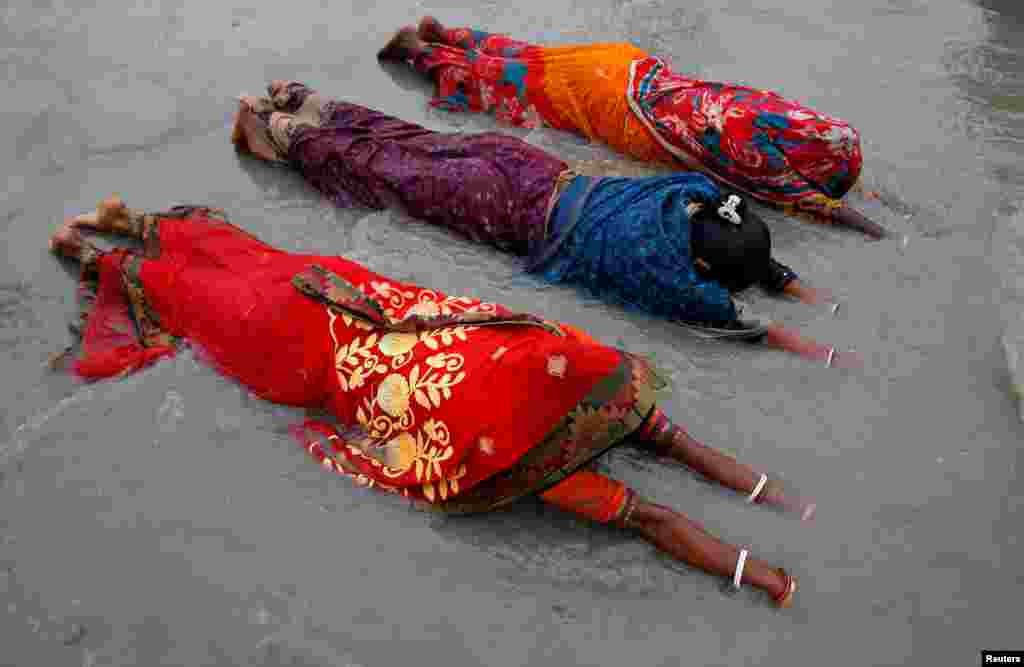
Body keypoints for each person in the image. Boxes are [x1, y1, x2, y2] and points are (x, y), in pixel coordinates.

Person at [47, 195, 815, 607]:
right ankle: (100, 253)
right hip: (308, 356)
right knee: (209, 306)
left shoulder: (549, 354)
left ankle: (127, 231)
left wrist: (767, 520)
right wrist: (761, 568)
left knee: (251, 268)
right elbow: (657, 503)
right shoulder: (574, 417)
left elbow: (663, 475)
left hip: (345, 292)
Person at [232, 81, 858, 366]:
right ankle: (289, 138)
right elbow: (735, 321)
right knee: (394, 175)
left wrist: (781, 275)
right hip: (510, 212)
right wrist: (819, 345)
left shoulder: (683, 196)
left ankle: (312, 103)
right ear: (699, 267)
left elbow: (733, 227)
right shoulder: (660, 270)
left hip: (532, 166)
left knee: (424, 144)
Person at [376, 17, 888, 239]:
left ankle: (450, 35)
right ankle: (421, 53)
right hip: (617, 106)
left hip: (628, 66)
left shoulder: (775, 111)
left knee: (537, 63)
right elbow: (798, 197)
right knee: (516, 91)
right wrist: (876, 230)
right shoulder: (749, 147)